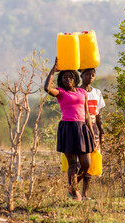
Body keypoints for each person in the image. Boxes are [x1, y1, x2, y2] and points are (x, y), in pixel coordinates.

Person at [44, 58, 95, 201]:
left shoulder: (82, 92)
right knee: (72, 164)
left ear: (75, 78)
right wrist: (53, 71)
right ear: (62, 80)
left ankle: (71, 185)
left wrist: (91, 134)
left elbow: (87, 115)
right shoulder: (60, 93)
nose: (67, 79)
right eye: (64, 77)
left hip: (82, 128)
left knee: (86, 164)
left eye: (70, 77)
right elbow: (47, 88)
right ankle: (74, 192)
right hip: (68, 128)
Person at [79, 68, 105, 200]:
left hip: (93, 127)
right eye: (87, 74)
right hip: (80, 126)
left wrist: (101, 131)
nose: (90, 77)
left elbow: (98, 114)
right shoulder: (77, 91)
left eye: (92, 75)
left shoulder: (96, 93)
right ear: (81, 75)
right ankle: (72, 187)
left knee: (92, 158)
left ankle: (85, 193)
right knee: (82, 159)